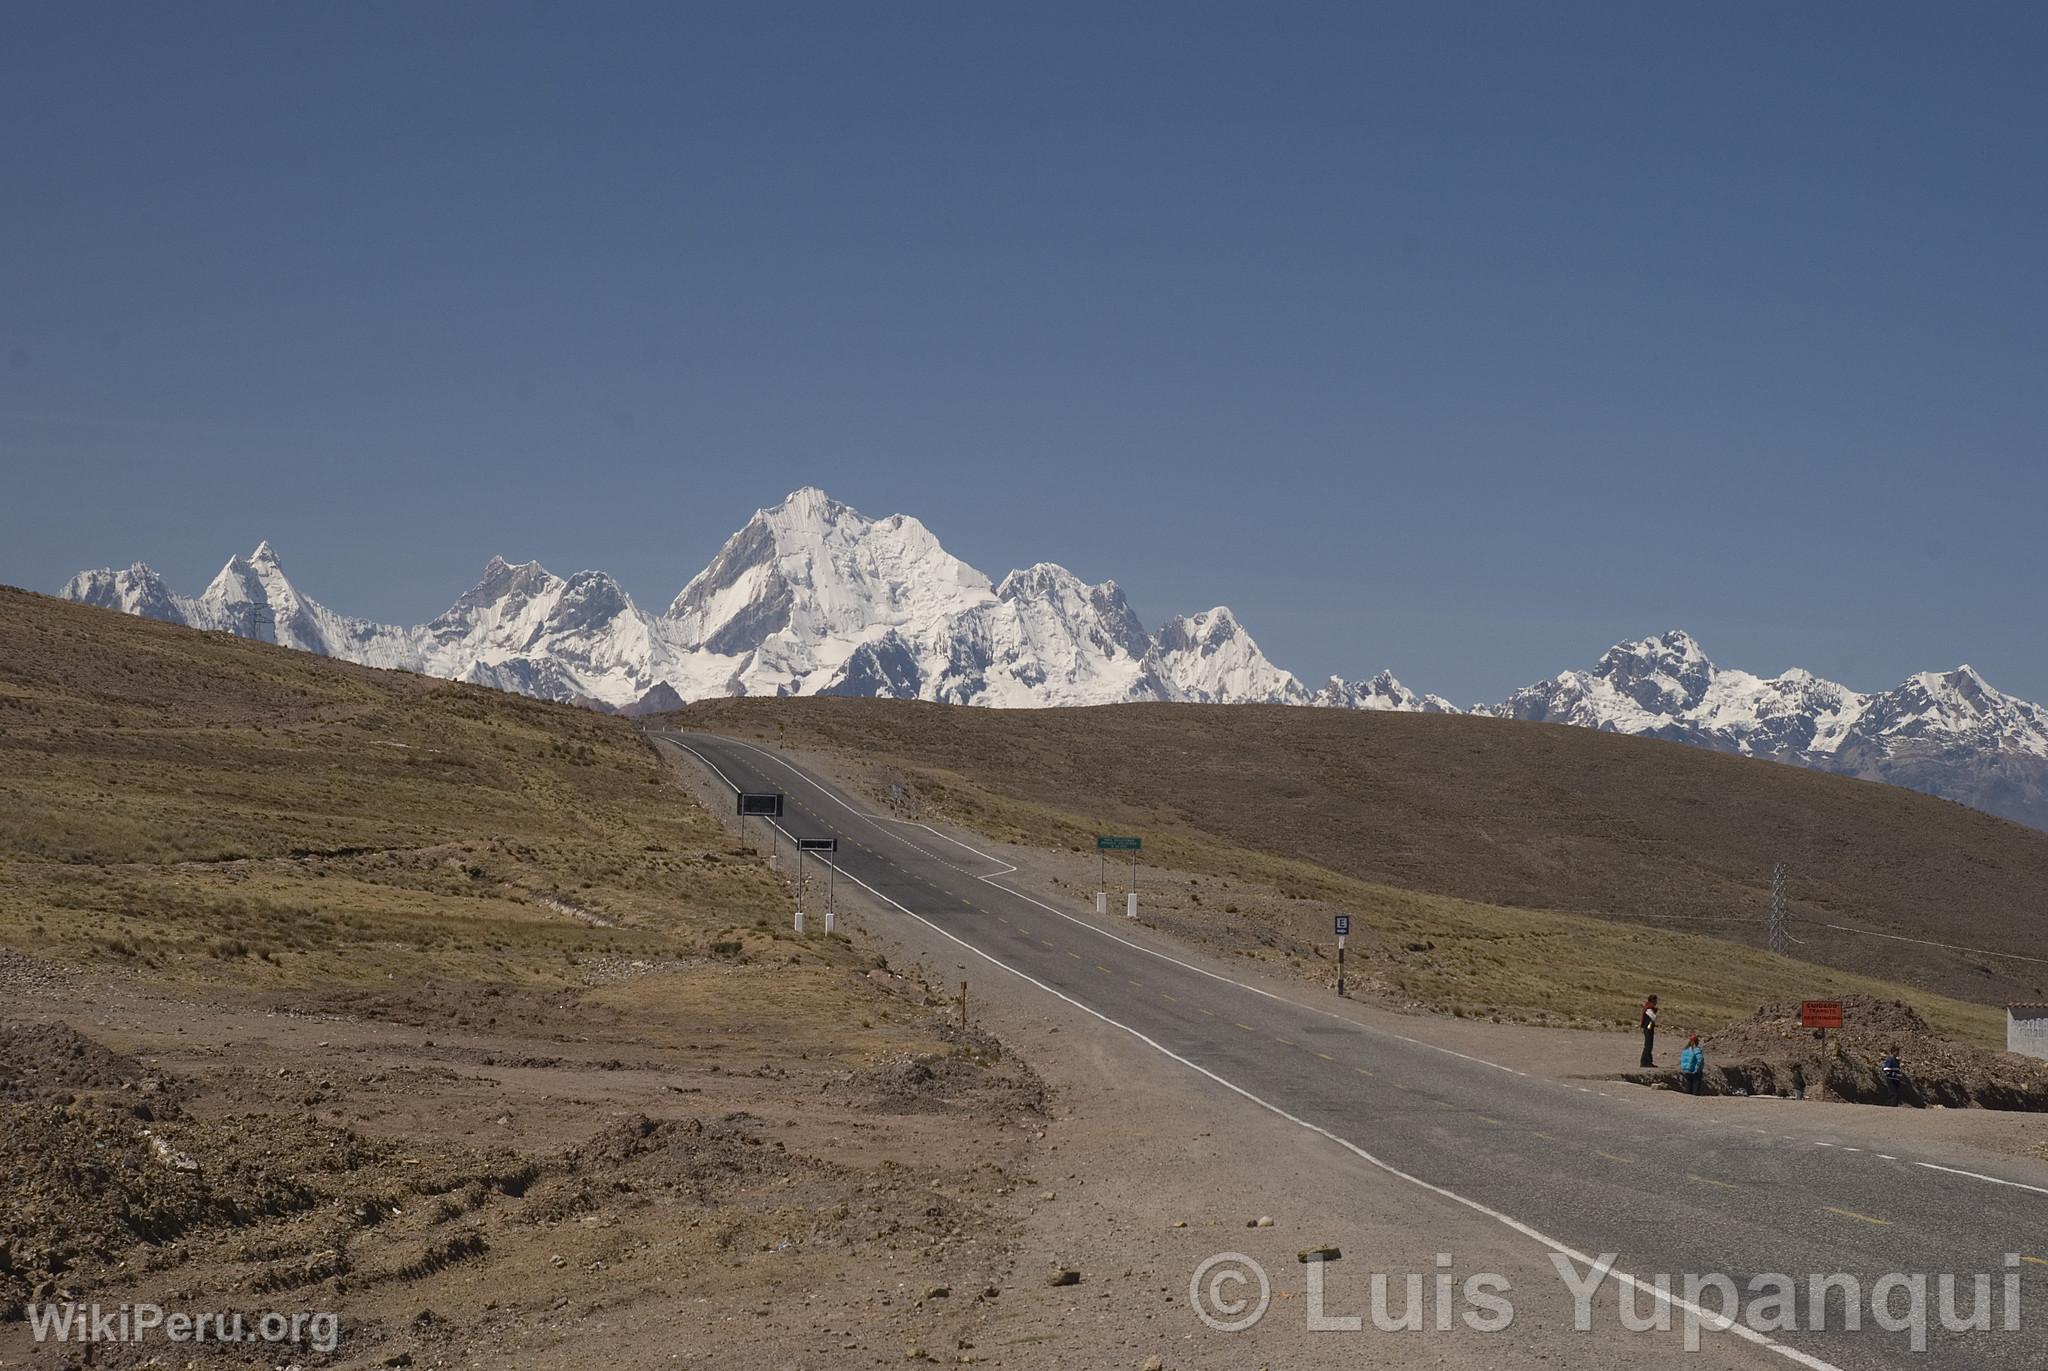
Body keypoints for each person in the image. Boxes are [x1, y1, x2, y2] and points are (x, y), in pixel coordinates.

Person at [1640, 995, 1659, 1068]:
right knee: (1648, 1045)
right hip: (1648, 1028)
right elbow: (1653, 1017)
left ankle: (1648, 1061)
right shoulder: (1649, 1008)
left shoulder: (1648, 1007)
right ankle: (1645, 1062)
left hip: (1648, 1028)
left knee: (1649, 1045)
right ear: (1653, 1000)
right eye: (1655, 1000)